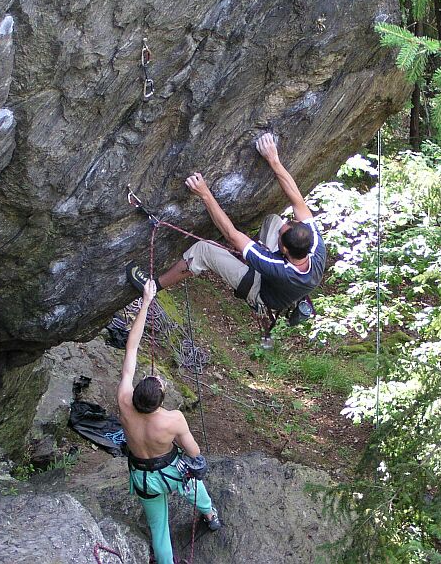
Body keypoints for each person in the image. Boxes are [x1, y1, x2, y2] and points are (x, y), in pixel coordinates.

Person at [126, 133, 325, 314]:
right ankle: (249, 255)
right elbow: (298, 200)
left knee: (204, 249)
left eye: (281, 235)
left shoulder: (280, 268)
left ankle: (152, 287)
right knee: (274, 220)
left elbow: (231, 234)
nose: (285, 227)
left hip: (259, 290)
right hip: (281, 276)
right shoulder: (314, 245)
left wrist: (204, 193)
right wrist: (274, 160)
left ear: (284, 249)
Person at [117, 279, 221, 564]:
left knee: (158, 529)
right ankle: (210, 514)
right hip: (171, 472)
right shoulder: (173, 419)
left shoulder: (125, 402)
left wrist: (147, 302)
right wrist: (197, 461)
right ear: (159, 401)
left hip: (143, 476)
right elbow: (194, 453)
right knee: (192, 483)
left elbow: (131, 350)